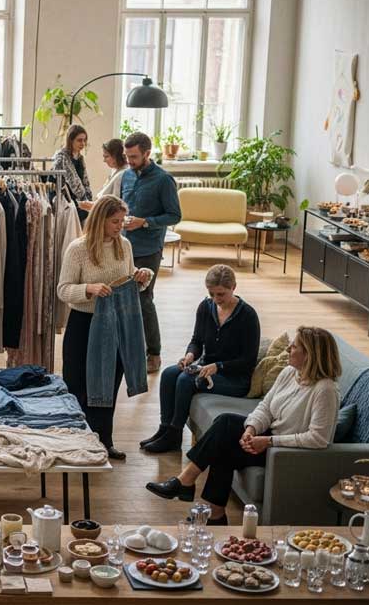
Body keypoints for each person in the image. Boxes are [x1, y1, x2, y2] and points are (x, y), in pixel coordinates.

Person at [146, 326, 341, 524]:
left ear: (310, 355)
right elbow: (265, 407)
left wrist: (268, 441)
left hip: (286, 453)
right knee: (226, 425)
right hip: (269, 436)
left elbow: (318, 438)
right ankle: (211, 511)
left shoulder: (325, 390)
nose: (289, 348)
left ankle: (192, 489)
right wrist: (251, 429)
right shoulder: (290, 373)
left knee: (225, 436)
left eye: (295, 345)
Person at [56, 196, 153, 460]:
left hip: (116, 324)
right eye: (115, 221)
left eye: (122, 221)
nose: (120, 226)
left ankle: (104, 440)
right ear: (100, 219)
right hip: (84, 325)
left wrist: (141, 278)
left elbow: (129, 278)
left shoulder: (125, 245)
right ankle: (76, 441)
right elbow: (63, 290)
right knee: (79, 385)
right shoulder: (78, 249)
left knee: (108, 386)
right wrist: (89, 289)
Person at [143, 265, 260, 453]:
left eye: (221, 294)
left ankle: (175, 434)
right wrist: (190, 355)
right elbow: (196, 341)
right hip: (207, 367)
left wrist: (218, 366)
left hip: (234, 378)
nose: (216, 300)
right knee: (169, 374)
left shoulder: (248, 316)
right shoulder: (206, 307)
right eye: (212, 294)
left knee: (186, 380)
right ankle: (164, 429)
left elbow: (248, 360)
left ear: (234, 288)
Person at [120, 131, 181, 373]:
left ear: (147, 153)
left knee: (144, 300)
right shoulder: (125, 176)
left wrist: (144, 221)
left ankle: (153, 353)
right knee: (121, 299)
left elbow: (175, 215)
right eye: (127, 156)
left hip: (148, 249)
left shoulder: (164, 180)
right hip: (123, 247)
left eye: (134, 156)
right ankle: (125, 351)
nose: (129, 161)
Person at [78, 138, 128, 212]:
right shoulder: (116, 171)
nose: (104, 160)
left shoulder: (122, 174)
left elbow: (115, 205)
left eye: (106, 156)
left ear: (116, 156)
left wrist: (92, 206)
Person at [53, 124, 92, 220]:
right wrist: (85, 201)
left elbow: (85, 181)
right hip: (67, 203)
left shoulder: (80, 158)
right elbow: (72, 182)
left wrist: (88, 199)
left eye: (84, 140)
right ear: (71, 140)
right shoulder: (61, 158)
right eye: (79, 140)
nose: (82, 143)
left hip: (79, 203)